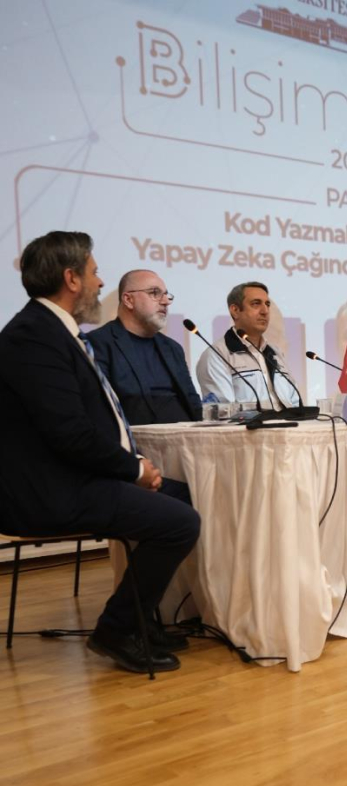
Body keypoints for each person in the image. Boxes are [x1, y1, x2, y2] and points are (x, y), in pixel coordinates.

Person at [0, 231, 200, 674]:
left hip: (71, 478)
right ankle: (117, 629)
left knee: (184, 499)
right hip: (50, 491)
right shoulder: (34, 337)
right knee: (180, 522)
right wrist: (133, 469)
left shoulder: (51, 331)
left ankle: (145, 619)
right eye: (94, 272)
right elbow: (70, 433)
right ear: (71, 278)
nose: (100, 281)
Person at [86, 269, 202, 424]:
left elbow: (193, 402)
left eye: (166, 295)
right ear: (128, 300)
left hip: (188, 434)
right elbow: (101, 409)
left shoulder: (172, 348)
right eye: (154, 293)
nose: (166, 301)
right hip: (138, 436)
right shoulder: (99, 343)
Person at [196, 281, 300, 408]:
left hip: (288, 421)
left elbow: (296, 402)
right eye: (256, 304)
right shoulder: (217, 355)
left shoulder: (275, 353)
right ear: (235, 310)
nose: (265, 311)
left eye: (267, 304)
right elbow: (225, 411)